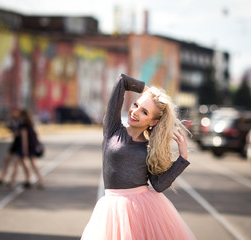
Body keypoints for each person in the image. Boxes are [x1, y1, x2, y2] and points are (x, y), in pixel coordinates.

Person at [81, 74, 196, 240]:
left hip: (142, 210)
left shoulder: (150, 148)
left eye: (144, 112)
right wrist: (147, 91)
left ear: (153, 122)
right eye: (136, 104)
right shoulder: (112, 129)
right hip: (111, 209)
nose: (135, 112)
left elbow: (158, 185)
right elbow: (122, 81)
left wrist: (183, 158)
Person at [9, 109, 44, 189]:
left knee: (16, 164)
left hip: (25, 148)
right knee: (33, 165)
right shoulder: (30, 124)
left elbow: (24, 139)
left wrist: (24, 150)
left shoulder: (23, 125)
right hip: (32, 147)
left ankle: (12, 181)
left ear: (23, 116)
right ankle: (39, 181)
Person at [0, 109, 21, 186]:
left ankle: (12, 180)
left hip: (19, 144)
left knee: (16, 163)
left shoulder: (21, 123)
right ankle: (2, 178)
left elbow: (20, 134)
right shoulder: (12, 122)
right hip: (15, 143)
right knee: (7, 160)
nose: (13, 114)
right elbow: (13, 132)